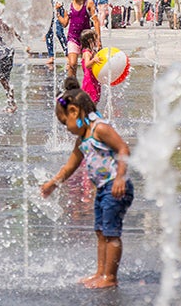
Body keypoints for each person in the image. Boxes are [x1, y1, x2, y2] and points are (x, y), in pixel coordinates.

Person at [40, 82, 133, 289]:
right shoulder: (83, 136)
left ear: (74, 111)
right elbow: (70, 166)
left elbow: (124, 149)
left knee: (111, 233)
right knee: (100, 231)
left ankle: (111, 277)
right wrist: (53, 184)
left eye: (65, 123)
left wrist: (120, 178)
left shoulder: (100, 128)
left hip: (116, 188)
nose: (66, 129)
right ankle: (100, 272)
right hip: (103, 189)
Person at [57, 0, 100, 77]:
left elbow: (96, 22)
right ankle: (72, 89)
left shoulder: (88, 3)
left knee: (88, 67)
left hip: (87, 39)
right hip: (73, 38)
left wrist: (98, 40)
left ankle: (89, 89)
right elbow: (65, 23)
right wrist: (57, 13)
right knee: (72, 64)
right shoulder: (69, 4)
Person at [79, 29, 102, 104]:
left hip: (94, 79)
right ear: (90, 41)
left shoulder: (92, 52)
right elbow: (87, 65)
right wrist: (94, 60)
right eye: (95, 39)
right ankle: (89, 115)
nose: (97, 41)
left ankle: (90, 114)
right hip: (89, 81)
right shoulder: (86, 53)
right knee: (91, 102)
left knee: (94, 101)